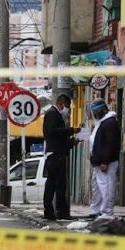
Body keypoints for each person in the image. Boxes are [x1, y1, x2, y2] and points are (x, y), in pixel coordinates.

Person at [42, 93, 81, 221]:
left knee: (53, 184)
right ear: (61, 104)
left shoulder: (52, 114)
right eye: (67, 107)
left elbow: (58, 138)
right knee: (59, 185)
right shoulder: (53, 114)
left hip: (55, 154)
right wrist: (71, 130)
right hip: (56, 156)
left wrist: (72, 142)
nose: (68, 111)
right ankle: (60, 212)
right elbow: (53, 132)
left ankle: (51, 212)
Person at [88, 99, 120, 217]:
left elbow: (109, 143)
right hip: (98, 161)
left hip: (105, 162)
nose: (94, 114)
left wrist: (104, 161)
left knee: (106, 187)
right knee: (97, 187)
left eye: (95, 111)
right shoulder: (101, 122)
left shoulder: (109, 123)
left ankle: (106, 211)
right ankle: (96, 210)